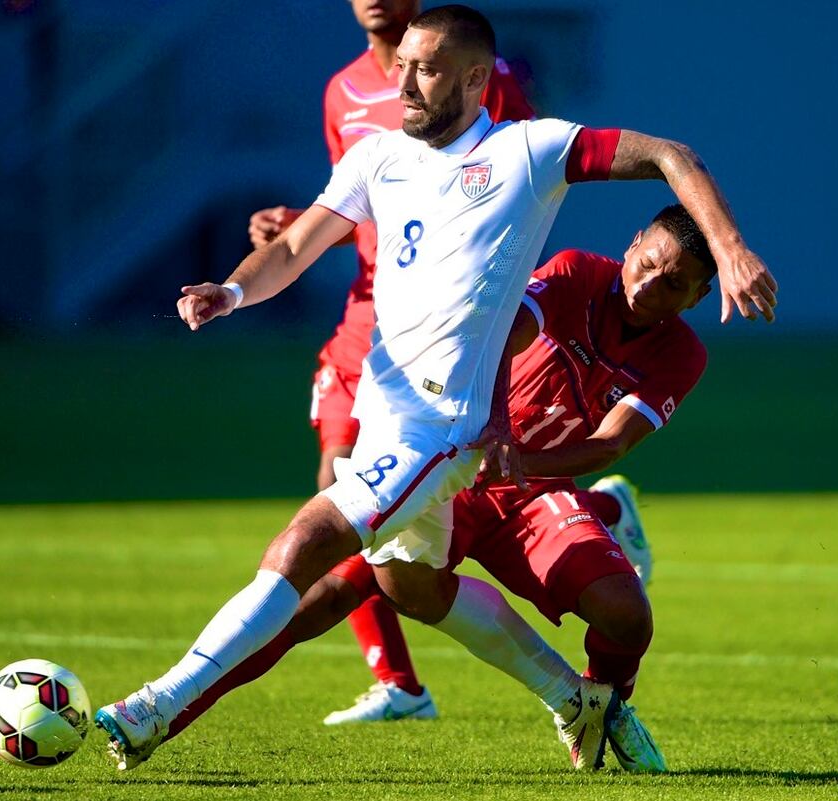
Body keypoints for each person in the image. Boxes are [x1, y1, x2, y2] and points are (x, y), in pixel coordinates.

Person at [96, 4, 776, 772]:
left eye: (426, 68)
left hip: (439, 429)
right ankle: (571, 695)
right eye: (403, 64)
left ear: (478, 78)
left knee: (305, 548)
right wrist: (231, 289)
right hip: (382, 415)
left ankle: (155, 707)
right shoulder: (378, 156)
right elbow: (293, 244)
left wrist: (731, 247)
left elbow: (669, 154)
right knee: (411, 587)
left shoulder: (531, 151)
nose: (404, 80)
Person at [156, 202, 715, 772]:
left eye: (673, 284)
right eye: (647, 263)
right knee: (316, 598)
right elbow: (499, 339)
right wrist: (492, 434)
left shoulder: (682, 354)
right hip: (442, 463)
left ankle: (600, 709)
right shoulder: (578, 274)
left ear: (696, 298)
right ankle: (162, 714)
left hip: (528, 486)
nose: (649, 286)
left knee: (628, 615)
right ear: (634, 241)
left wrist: (518, 461)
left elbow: (609, 444)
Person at [249, 0, 535, 725]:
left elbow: (506, 189)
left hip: (441, 322)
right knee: (338, 483)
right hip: (364, 317)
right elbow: (369, 208)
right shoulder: (341, 91)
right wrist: (300, 230)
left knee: (379, 507)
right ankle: (401, 683)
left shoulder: (480, 76)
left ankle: (593, 515)